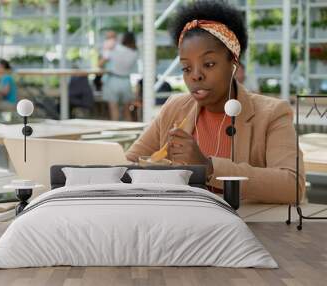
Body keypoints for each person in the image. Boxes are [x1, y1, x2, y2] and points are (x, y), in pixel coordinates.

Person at [125, 0, 305, 204]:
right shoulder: (175, 108)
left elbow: (292, 186)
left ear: (234, 64)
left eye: (208, 64)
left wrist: (208, 167)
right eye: (186, 68)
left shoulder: (272, 114)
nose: (196, 76)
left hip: (244, 229)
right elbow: (130, 164)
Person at [99, 31, 138, 121]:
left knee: (114, 111)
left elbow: (100, 64)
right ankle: (130, 133)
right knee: (126, 112)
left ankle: (115, 133)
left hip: (113, 80)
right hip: (126, 82)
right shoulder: (134, 53)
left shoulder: (115, 48)